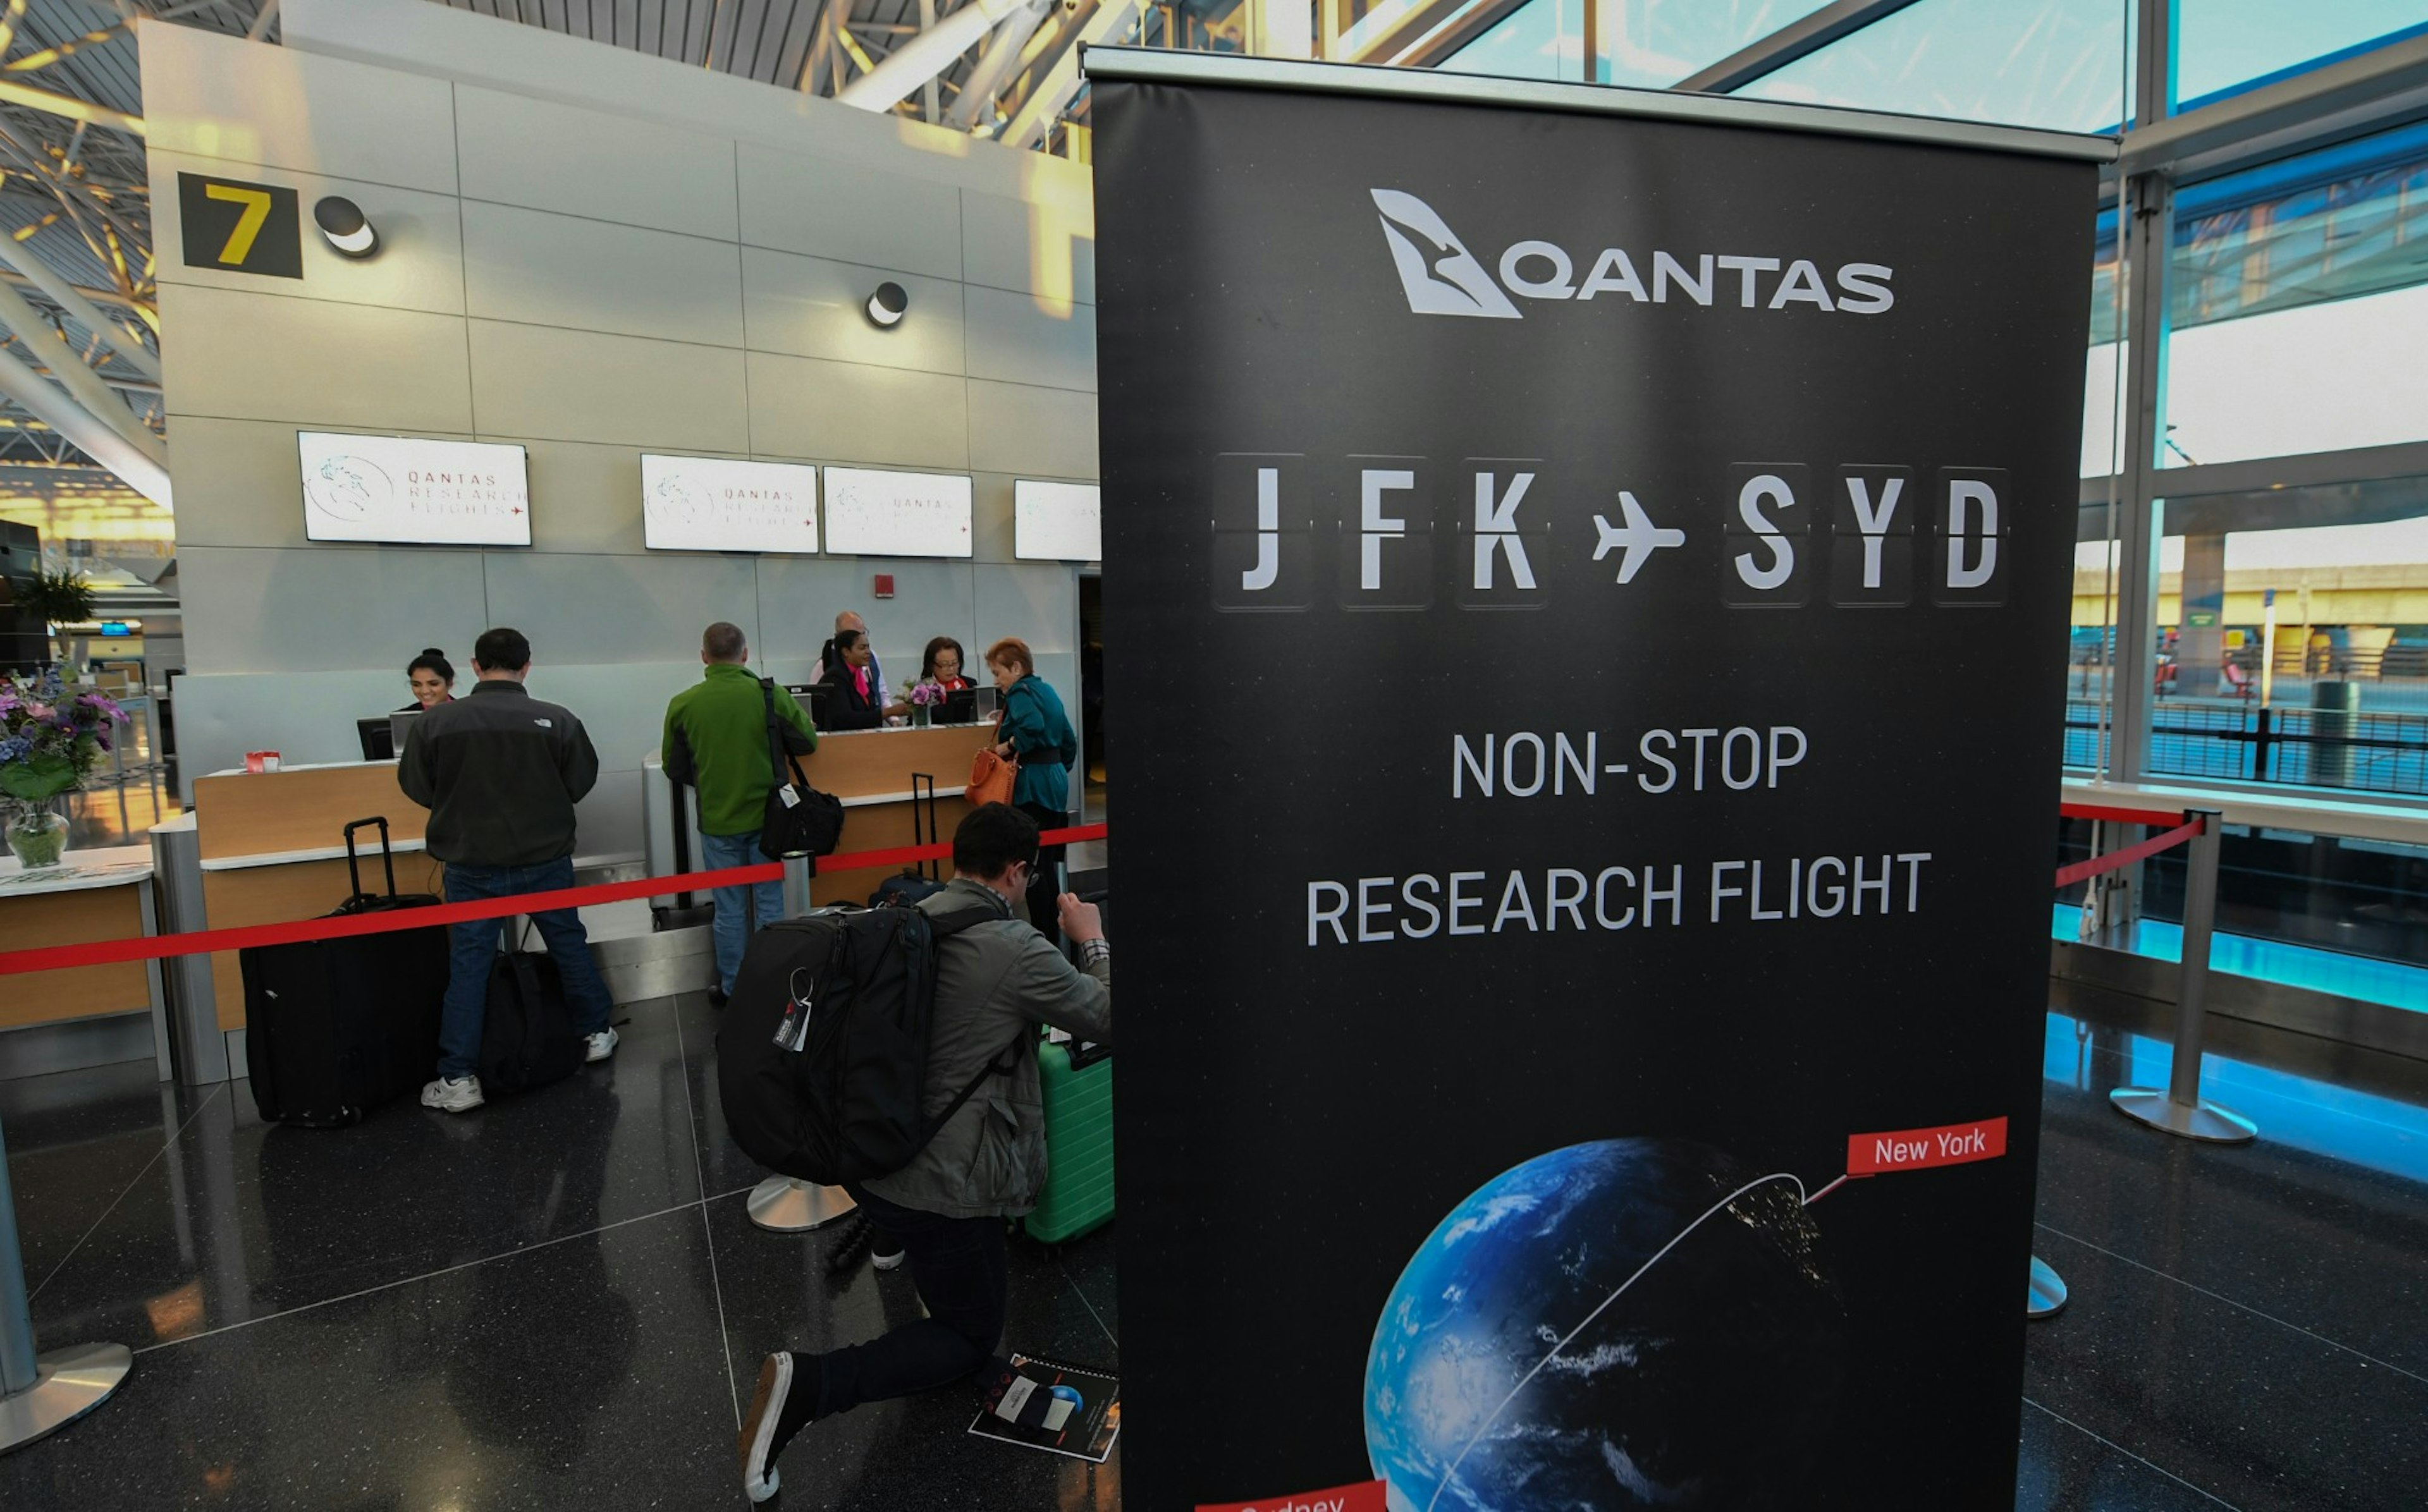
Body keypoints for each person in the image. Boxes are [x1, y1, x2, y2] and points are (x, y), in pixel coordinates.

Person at [737, 803, 1110, 1503]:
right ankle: (808, 1387)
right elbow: (1112, 1015)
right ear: (1018, 871)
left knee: (933, 1241)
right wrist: (1090, 941)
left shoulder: (905, 914)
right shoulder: (1017, 948)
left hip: (868, 1165)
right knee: (970, 1337)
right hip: (941, 1189)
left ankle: (889, 1244)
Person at [397, 627, 619, 1113]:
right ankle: (597, 1034)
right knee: (568, 946)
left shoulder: (435, 724)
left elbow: (416, 786)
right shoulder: (557, 720)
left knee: (469, 966)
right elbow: (579, 782)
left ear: (475, 667)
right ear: (527, 666)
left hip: (470, 862)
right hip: (545, 858)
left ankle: (458, 1078)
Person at [663, 621, 818, 1005]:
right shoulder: (768, 693)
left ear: (704, 657)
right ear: (745, 654)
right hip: (769, 820)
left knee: (729, 909)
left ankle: (734, 987)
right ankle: (775, 982)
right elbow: (808, 742)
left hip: (717, 821)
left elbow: (674, 766)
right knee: (771, 902)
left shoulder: (683, 704)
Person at [986, 637, 1079, 943]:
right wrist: (1056, 769)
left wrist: (1006, 746)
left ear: (1016, 668)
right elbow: (1068, 740)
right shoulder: (1047, 690)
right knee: (1050, 864)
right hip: (1054, 780)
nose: (997, 681)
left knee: (1032, 866)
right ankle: (1058, 933)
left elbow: (1032, 727)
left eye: (998, 673)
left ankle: (1044, 936)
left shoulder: (1020, 693)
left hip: (1031, 786)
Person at [816, 627, 884, 731]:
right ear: (846, 652)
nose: (868, 652)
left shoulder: (860, 675)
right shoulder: (835, 677)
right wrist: (887, 713)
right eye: (862, 648)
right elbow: (845, 718)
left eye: (868, 647)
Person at [811, 610, 886, 700]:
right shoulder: (825, 665)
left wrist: (891, 713)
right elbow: (816, 699)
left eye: (863, 633)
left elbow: (882, 693)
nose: (861, 639)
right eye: (853, 636)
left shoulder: (871, 657)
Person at [400, 647, 455, 712]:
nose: (425, 691)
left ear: (450, 683)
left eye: (433, 684)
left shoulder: (466, 713)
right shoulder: (402, 718)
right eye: (416, 685)